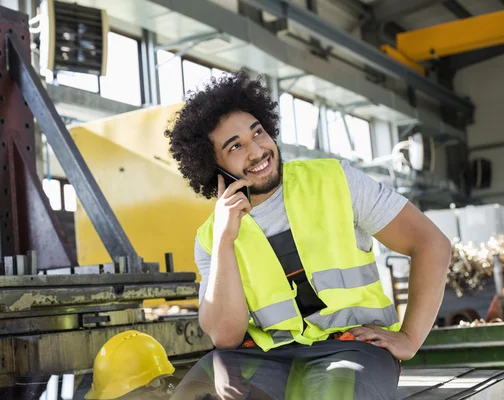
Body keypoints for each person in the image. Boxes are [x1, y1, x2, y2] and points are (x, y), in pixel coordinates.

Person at [164, 70, 451, 399]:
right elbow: (226, 338)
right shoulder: (211, 236)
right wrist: (225, 240)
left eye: (258, 133)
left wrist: (410, 337)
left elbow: (431, 243)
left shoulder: (335, 180)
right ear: (213, 167)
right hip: (260, 357)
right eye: (235, 147)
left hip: (351, 348)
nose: (257, 150)